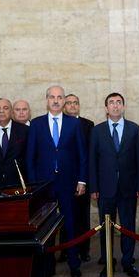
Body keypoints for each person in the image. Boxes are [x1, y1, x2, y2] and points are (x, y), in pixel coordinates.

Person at [26, 86, 87, 277]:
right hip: (44, 185)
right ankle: (47, 266)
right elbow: (30, 157)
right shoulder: (36, 124)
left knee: (70, 223)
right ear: (46, 100)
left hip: (68, 182)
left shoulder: (74, 123)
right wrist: (33, 185)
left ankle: (74, 263)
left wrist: (82, 180)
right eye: (52, 97)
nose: (55, 100)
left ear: (64, 101)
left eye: (59, 97)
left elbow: (82, 155)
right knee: (46, 226)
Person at [89, 92, 139, 277]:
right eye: (111, 103)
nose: (115, 105)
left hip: (128, 187)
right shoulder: (97, 131)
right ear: (106, 108)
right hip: (105, 189)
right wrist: (94, 187)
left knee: (128, 226)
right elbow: (92, 161)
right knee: (105, 228)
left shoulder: (134, 129)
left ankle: (128, 262)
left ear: (123, 106)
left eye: (118, 102)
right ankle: (108, 264)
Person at [64, 94, 94, 262]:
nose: (73, 105)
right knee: (65, 216)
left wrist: (85, 179)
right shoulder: (59, 123)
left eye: (75, 102)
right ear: (64, 106)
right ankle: (66, 250)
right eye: (69, 103)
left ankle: (84, 250)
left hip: (83, 177)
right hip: (65, 178)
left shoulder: (88, 125)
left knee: (83, 216)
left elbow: (89, 153)